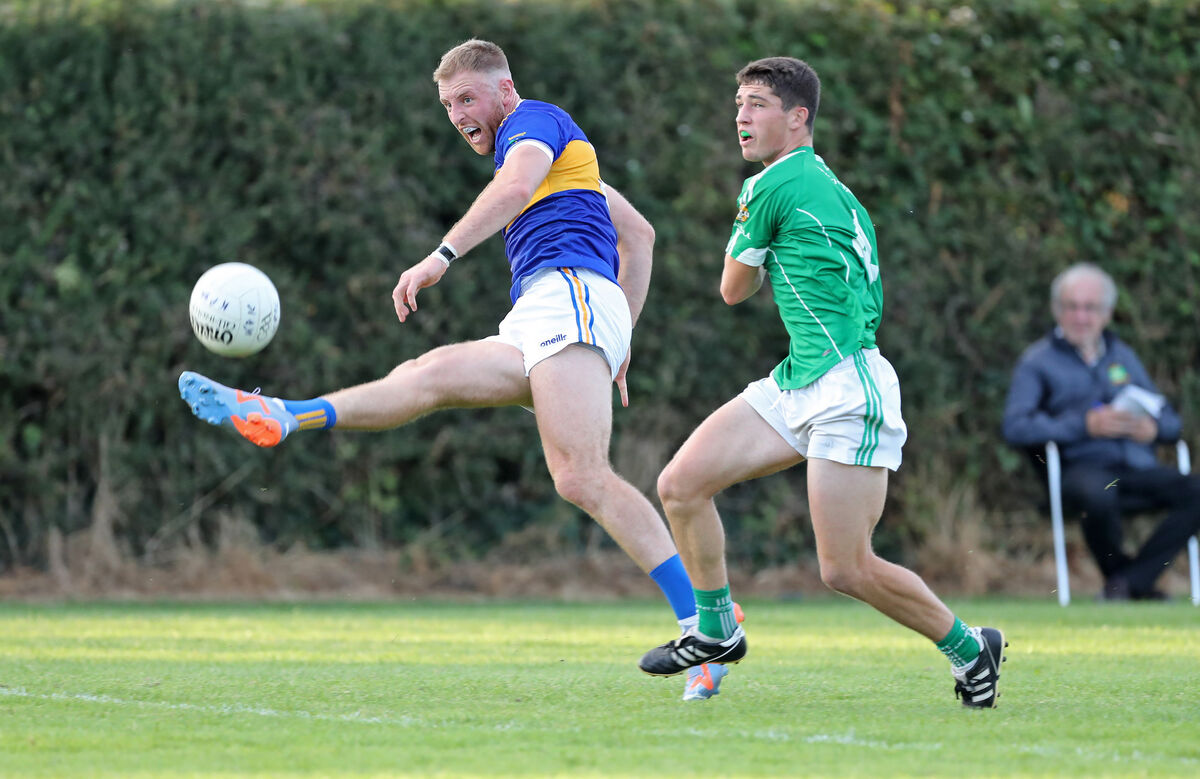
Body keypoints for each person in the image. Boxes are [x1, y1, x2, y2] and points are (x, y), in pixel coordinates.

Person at [178, 39, 731, 701]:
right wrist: (623, 338)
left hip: (570, 295)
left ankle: (709, 626)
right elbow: (639, 235)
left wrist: (443, 253)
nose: (457, 113)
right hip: (550, 313)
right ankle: (284, 415)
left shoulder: (533, 125)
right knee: (429, 374)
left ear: (504, 90)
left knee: (581, 474)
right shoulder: (566, 159)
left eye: (467, 97)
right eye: (447, 104)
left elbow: (518, 185)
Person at [636, 56, 1007, 708]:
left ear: (798, 117)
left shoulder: (773, 184)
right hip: (802, 378)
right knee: (681, 484)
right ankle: (718, 629)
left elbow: (732, 288)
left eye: (756, 104)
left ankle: (972, 649)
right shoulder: (831, 188)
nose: (741, 117)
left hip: (845, 386)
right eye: (738, 104)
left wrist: (758, 238)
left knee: (845, 568)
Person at [1003, 262, 1200, 601]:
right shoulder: (1038, 362)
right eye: (1072, 307)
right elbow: (1016, 426)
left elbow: (1171, 420)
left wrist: (1151, 429)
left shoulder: (1123, 357)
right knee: (1098, 492)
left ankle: (1130, 581)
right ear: (1056, 310)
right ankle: (1127, 581)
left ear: (1107, 313)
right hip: (1081, 471)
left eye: (1090, 308)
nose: (1081, 317)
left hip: (1136, 469)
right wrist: (1084, 425)